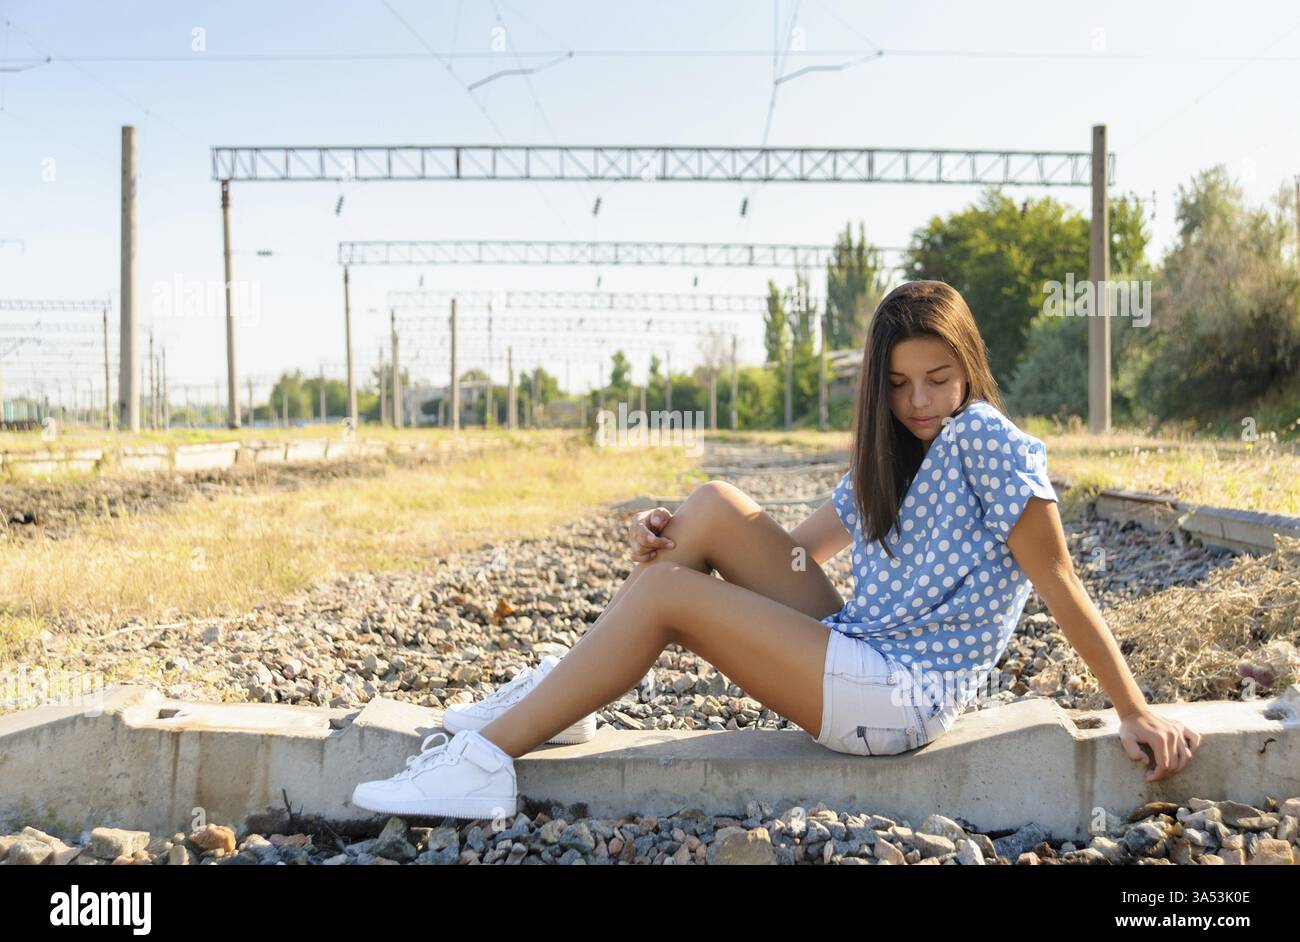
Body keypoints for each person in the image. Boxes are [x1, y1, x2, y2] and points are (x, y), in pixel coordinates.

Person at [351, 279, 1201, 821]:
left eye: (939, 376)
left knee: (663, 602)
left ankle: (489, 758)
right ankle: (565, 697)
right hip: (864, 651)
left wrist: (1132, 706)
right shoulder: (893, 452)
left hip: (900, 698)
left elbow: (1056, 579)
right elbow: (789, 557)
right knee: (714, 505)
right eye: (899, 382)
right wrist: (672, 539)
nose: (920, 401)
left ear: (968, 365)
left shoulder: (984, 438)